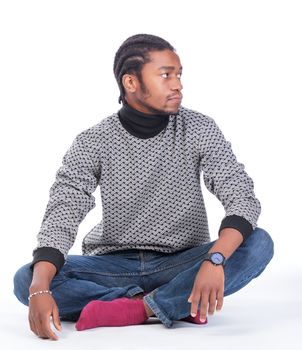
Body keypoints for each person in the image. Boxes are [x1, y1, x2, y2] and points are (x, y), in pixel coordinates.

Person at [13, 33, 274, 341]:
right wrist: (40, 288)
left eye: (179, 75)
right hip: (112, 265)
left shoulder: (200, 128)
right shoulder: (93, 141)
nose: (177, 84)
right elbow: (63, 212)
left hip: (183, 259)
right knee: (28, 279)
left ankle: (139, 309)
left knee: (258, 243)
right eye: (165, 75)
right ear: (131, 82)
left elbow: (241, 196)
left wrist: (215, 260)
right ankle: (169, 301)